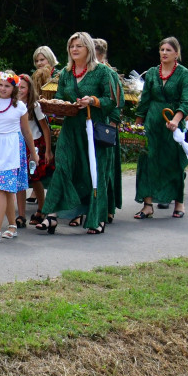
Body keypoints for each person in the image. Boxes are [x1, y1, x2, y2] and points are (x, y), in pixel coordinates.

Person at [37, 32, 119, 234]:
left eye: (79, 46)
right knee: (63, 167)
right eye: (72, 46)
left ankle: (97, 218)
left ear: (89, 49)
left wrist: (93, 101)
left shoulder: (102, 72)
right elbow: (59, 97)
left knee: (94, 173)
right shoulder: (65, 73)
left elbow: (114, 100)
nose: (74, 49)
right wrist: (56, 105)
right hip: (71, 128)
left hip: (93, 129)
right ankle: (52, 215)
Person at [0, 71, 39, 241]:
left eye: (7, 86)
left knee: (2, 187)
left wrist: (33, 153)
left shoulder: (19, 107)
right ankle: (12, 226)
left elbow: (26, 131)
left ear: (13, 88)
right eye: (0, 85)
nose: (3, 88)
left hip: (12, 148)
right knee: (7, 190)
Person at [133, 37, 188, 220]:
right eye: (162, 49)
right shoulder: (152, 73)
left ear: (176, 53)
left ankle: (179, 202)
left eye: (168, 50)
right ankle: (148, 205)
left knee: (173, 162)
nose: (164, 53)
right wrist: (137, 124)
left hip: (172, 123)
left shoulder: (183, 74)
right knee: (147, 160)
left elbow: (185, 101)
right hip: (152, 121)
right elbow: (145, 100)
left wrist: (175, 120)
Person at [94, 38, 125, 223]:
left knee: (107, 168)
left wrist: (112, 125)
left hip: (105, 126)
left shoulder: (108, 73)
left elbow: (117, 101)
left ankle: (108, 207)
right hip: (92, 123)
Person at [16, 74, 53, 227]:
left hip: (34, 144)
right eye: (17, 86)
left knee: (34, 177)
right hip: (17, 145)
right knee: (20, 180)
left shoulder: (34, 106)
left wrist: (48, 150)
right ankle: (21, 215)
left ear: (29, 89)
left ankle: (41, 208)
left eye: (23, 87)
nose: (20, 90)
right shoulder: (12, 104)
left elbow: (45, 128)